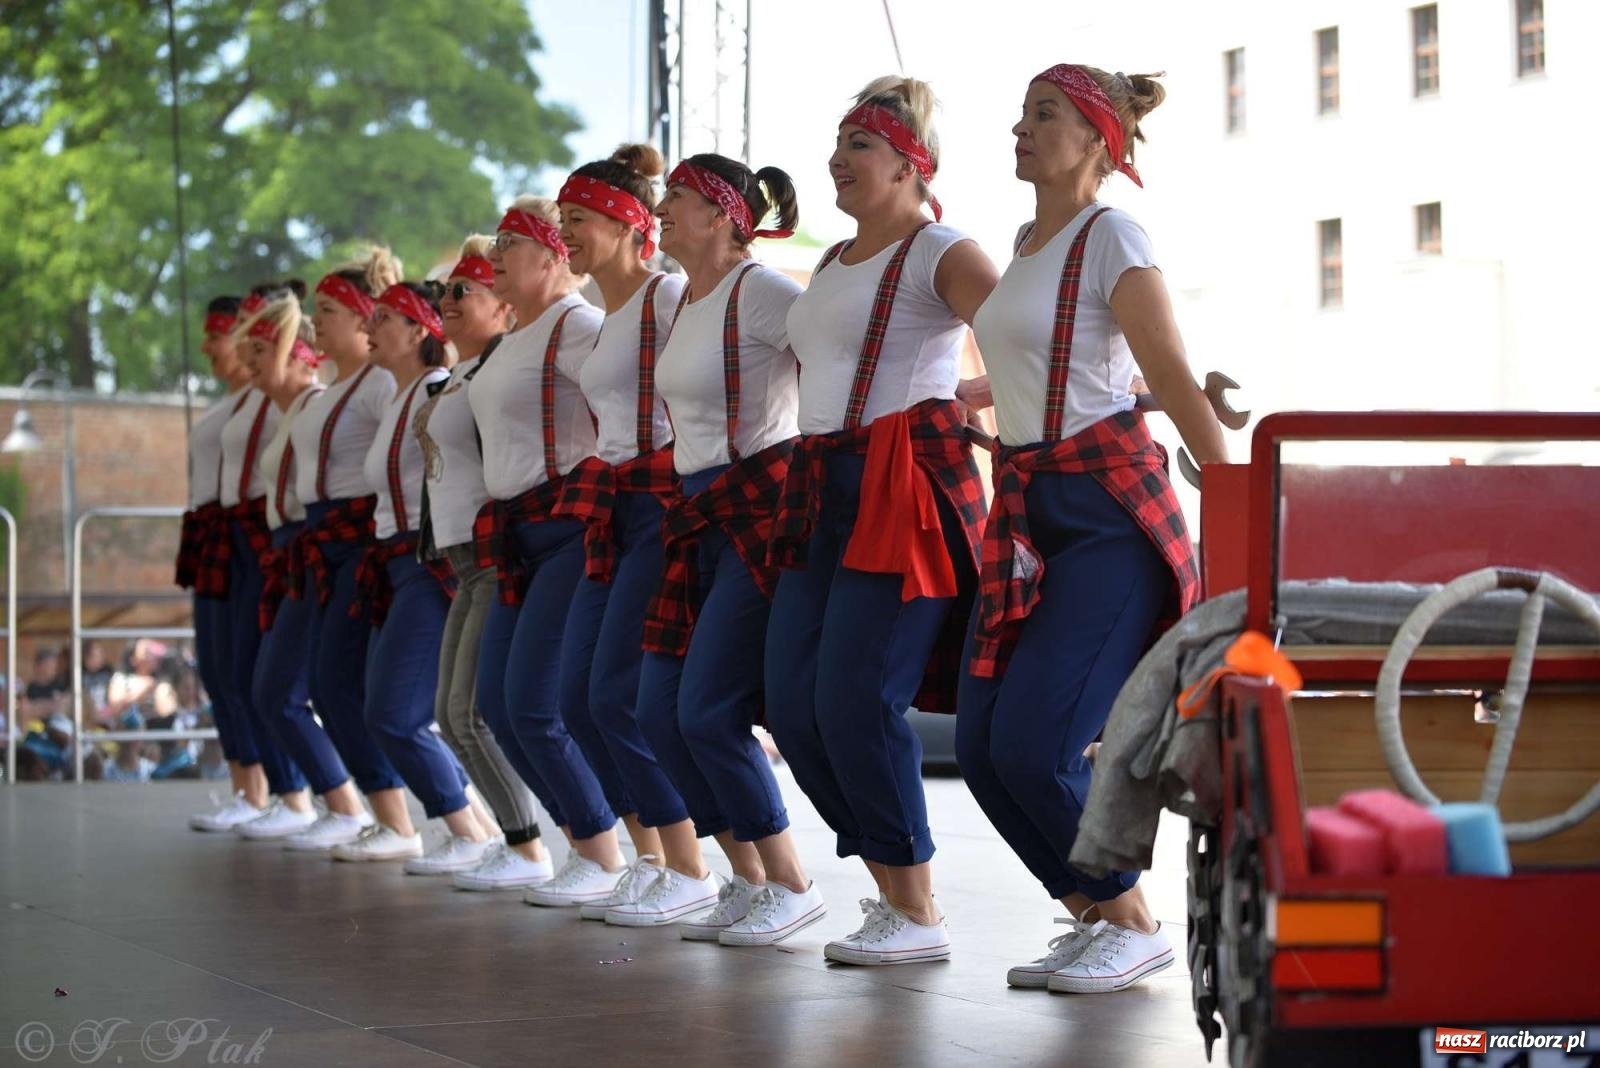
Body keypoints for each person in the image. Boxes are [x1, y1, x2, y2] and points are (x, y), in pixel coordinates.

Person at [956, 64, 1222, 994]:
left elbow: (1170, 372)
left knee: (1035, 744)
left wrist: (1229, 483)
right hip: (1028, 509)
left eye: (1045, 114)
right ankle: (1093, 915)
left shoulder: (1114, 234)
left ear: (1099, 142)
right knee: (985, 748)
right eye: (1022, 112)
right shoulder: (1028, 241)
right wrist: (982, 393)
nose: (1020, 128)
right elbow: (1059, 360)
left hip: (1107, 517)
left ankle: (1129, 917)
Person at [764, 74, 999, 967]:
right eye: (837, 146)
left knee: (858, 698)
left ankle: (915, 907)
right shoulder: (830, 263)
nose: (836, 160)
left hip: (900, 487)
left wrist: (963, 397)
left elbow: (1020, 338)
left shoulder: (942, 250)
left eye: (857, 146)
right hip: (819, 484)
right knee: (791, 703)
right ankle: (892, 890)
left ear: (912, 164)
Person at [640, 152, 823, 946]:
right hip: (694, 514)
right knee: (655, 711)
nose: (662, 210)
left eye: (677, 198)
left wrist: (964, 395)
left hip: (756, 509)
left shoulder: (764, 291)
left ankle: (789, 881)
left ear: (722, 215)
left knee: (706, 709)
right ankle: (747, 881)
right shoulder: (687, 297)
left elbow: (848, 364)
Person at [553, 145, 727, 926]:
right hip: (612, 509)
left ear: (629, 227)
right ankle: (651, 855)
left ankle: (687, 864)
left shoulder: (665, 299)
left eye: (580, 221)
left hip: (662, 503)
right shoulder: (608, 315)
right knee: (578, 695)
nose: (568, 235)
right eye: (562, 223)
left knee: (618, 691)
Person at [471, 196, 630, 905]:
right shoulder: (513, 338)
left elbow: (630, 402)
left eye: (510, 243)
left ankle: (602, 855)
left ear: (551, 255)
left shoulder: (578, 325)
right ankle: (587, 848)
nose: (494, 259)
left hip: (569, 529)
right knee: (498, 705)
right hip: (516, 536)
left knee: (536, 703)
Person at [329, 281, 493, 864]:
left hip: (427, 566)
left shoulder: (434, 387)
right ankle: (471, 827)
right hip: (392, 565)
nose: (369, 329)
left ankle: (473, 833)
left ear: (420, 330)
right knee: (387, 707)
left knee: (397, 712)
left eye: (384, 319)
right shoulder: (400, 396)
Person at [272, 249, 427, 853]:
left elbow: (402, 458)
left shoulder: (379, 386)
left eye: (329, 309)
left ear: (368, 317)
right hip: (322, 543)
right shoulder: (336, 392)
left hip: (364, 542)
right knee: (322, 683)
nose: (315, 321)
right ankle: (378, 813)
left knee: (342, 685)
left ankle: (406, 817)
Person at [413, 237, 553, 888]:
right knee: (454, 713)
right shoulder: (465, 376)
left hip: (495, 551)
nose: (447, 303)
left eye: (461, 291)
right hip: (463, 557)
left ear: (501, 305)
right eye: (444, 294)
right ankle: (517, 839)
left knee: (476, 710)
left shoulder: (495, 372)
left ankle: (532, 845)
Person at [207, 284, 314, 830]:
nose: (243, 353)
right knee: (227, 667)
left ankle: (292, 793)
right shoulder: (250, 403)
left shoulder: (305, 399)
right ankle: (263, 792)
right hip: (242, 530)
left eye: (259, 340)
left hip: (279, 530)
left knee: (265, 674)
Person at [181, 297, 279, 828]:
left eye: (216, 336)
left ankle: (262, 788)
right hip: (212, 530)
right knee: (218, 667)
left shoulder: (267, 401)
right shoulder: (228, 407)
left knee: (245, 664)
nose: (209, 348)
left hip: (247, 530)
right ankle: (246, 786)